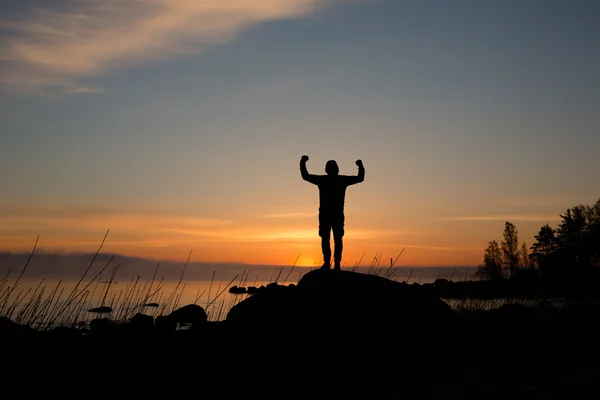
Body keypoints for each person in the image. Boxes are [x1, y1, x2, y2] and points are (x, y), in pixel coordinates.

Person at [300, 155, 365, 270]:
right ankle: (331, 263)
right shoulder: (335, 180)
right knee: (331, 239)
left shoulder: (328, 180)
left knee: (332, 239)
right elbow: (305, 176)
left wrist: (303, 162)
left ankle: (334, 263)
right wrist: (360, 166)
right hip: (330, 215)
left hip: (332, 215)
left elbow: (305, 176)